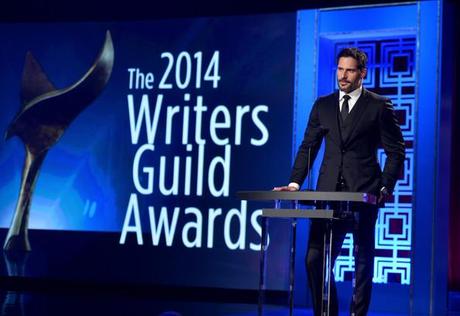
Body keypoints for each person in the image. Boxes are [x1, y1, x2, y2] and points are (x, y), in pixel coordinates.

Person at [274, 47, 405, 315]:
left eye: (349, 70)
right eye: (340, 69)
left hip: (363, 195)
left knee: (363, 262)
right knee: (314, 259)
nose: (343, 76)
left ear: (362, 74)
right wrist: (295, 183)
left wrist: (385, 186)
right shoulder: (323, 105)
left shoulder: (379, 105)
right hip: (327, 196)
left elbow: (396, 151)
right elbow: (308, 146)